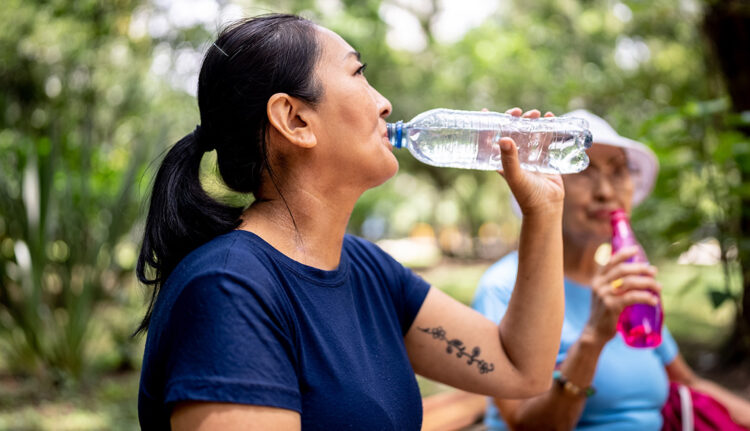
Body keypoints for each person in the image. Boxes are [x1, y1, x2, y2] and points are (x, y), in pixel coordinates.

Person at [136, 14, 568, 430]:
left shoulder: (368, 270)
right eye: (359, 73)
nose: (385, 104)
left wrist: (543, 213)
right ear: (295, 120)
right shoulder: (228, 288)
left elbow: (520, 369)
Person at [472, 109, 750, 431]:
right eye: (584, 170)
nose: (606, 191)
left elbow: (688, 383)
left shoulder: (623, 281)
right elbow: (525, 424)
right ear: (546, 182)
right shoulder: (503, 286)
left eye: (618, 171)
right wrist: (593, 337)